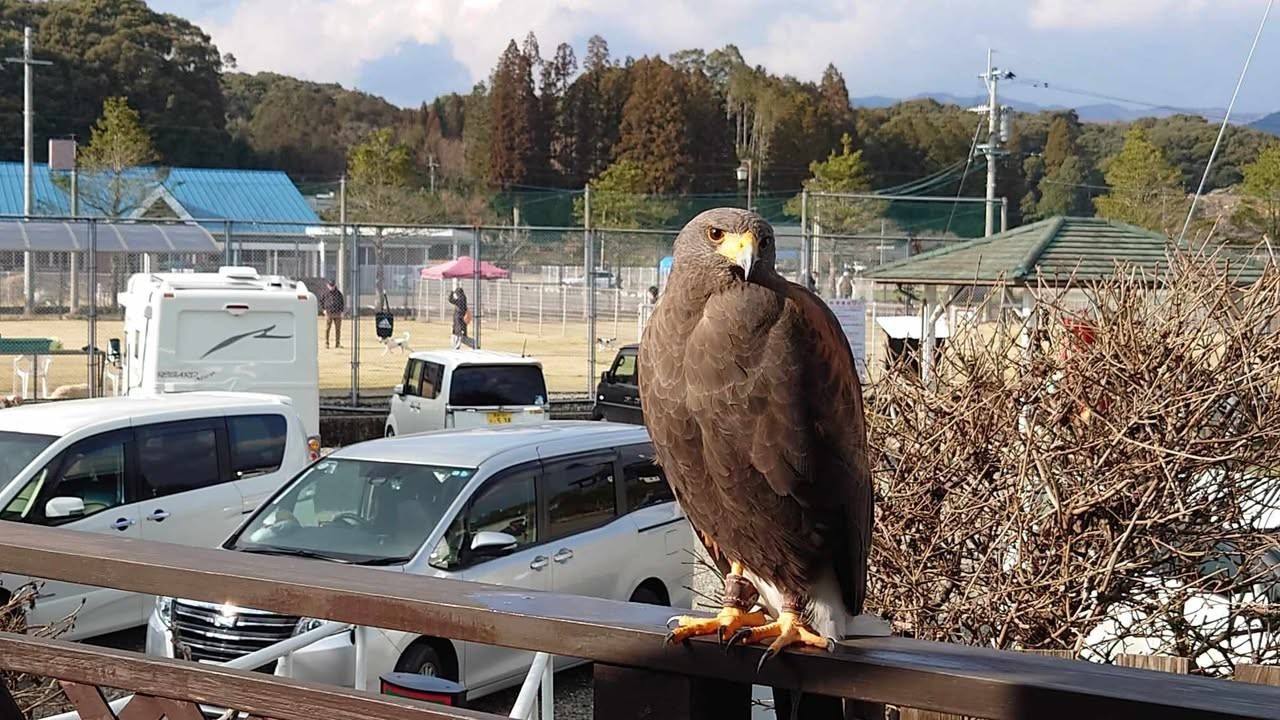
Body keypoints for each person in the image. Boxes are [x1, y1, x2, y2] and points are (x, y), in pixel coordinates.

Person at [448, 283, 475, 349]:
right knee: (458, 335)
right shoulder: (463, 298)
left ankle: (474, 344)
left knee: (460, 336)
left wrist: (451, 293)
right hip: (458, 321)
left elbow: (451, 300)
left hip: (460, 321)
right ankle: (456, 347)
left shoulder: (461, 299)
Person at [319, 279, 345, 349]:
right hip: (329, 313)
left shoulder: (339, 293)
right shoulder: (325, 293)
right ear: (327, 285)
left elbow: (342, 303)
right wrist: (323, 309)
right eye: (330, 286)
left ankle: (337, 343)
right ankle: (326, 343)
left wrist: (342, 311)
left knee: (338, 329)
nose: (331, 287)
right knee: (327, 328)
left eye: (332, 286)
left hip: (337, 313)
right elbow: (321, 302)